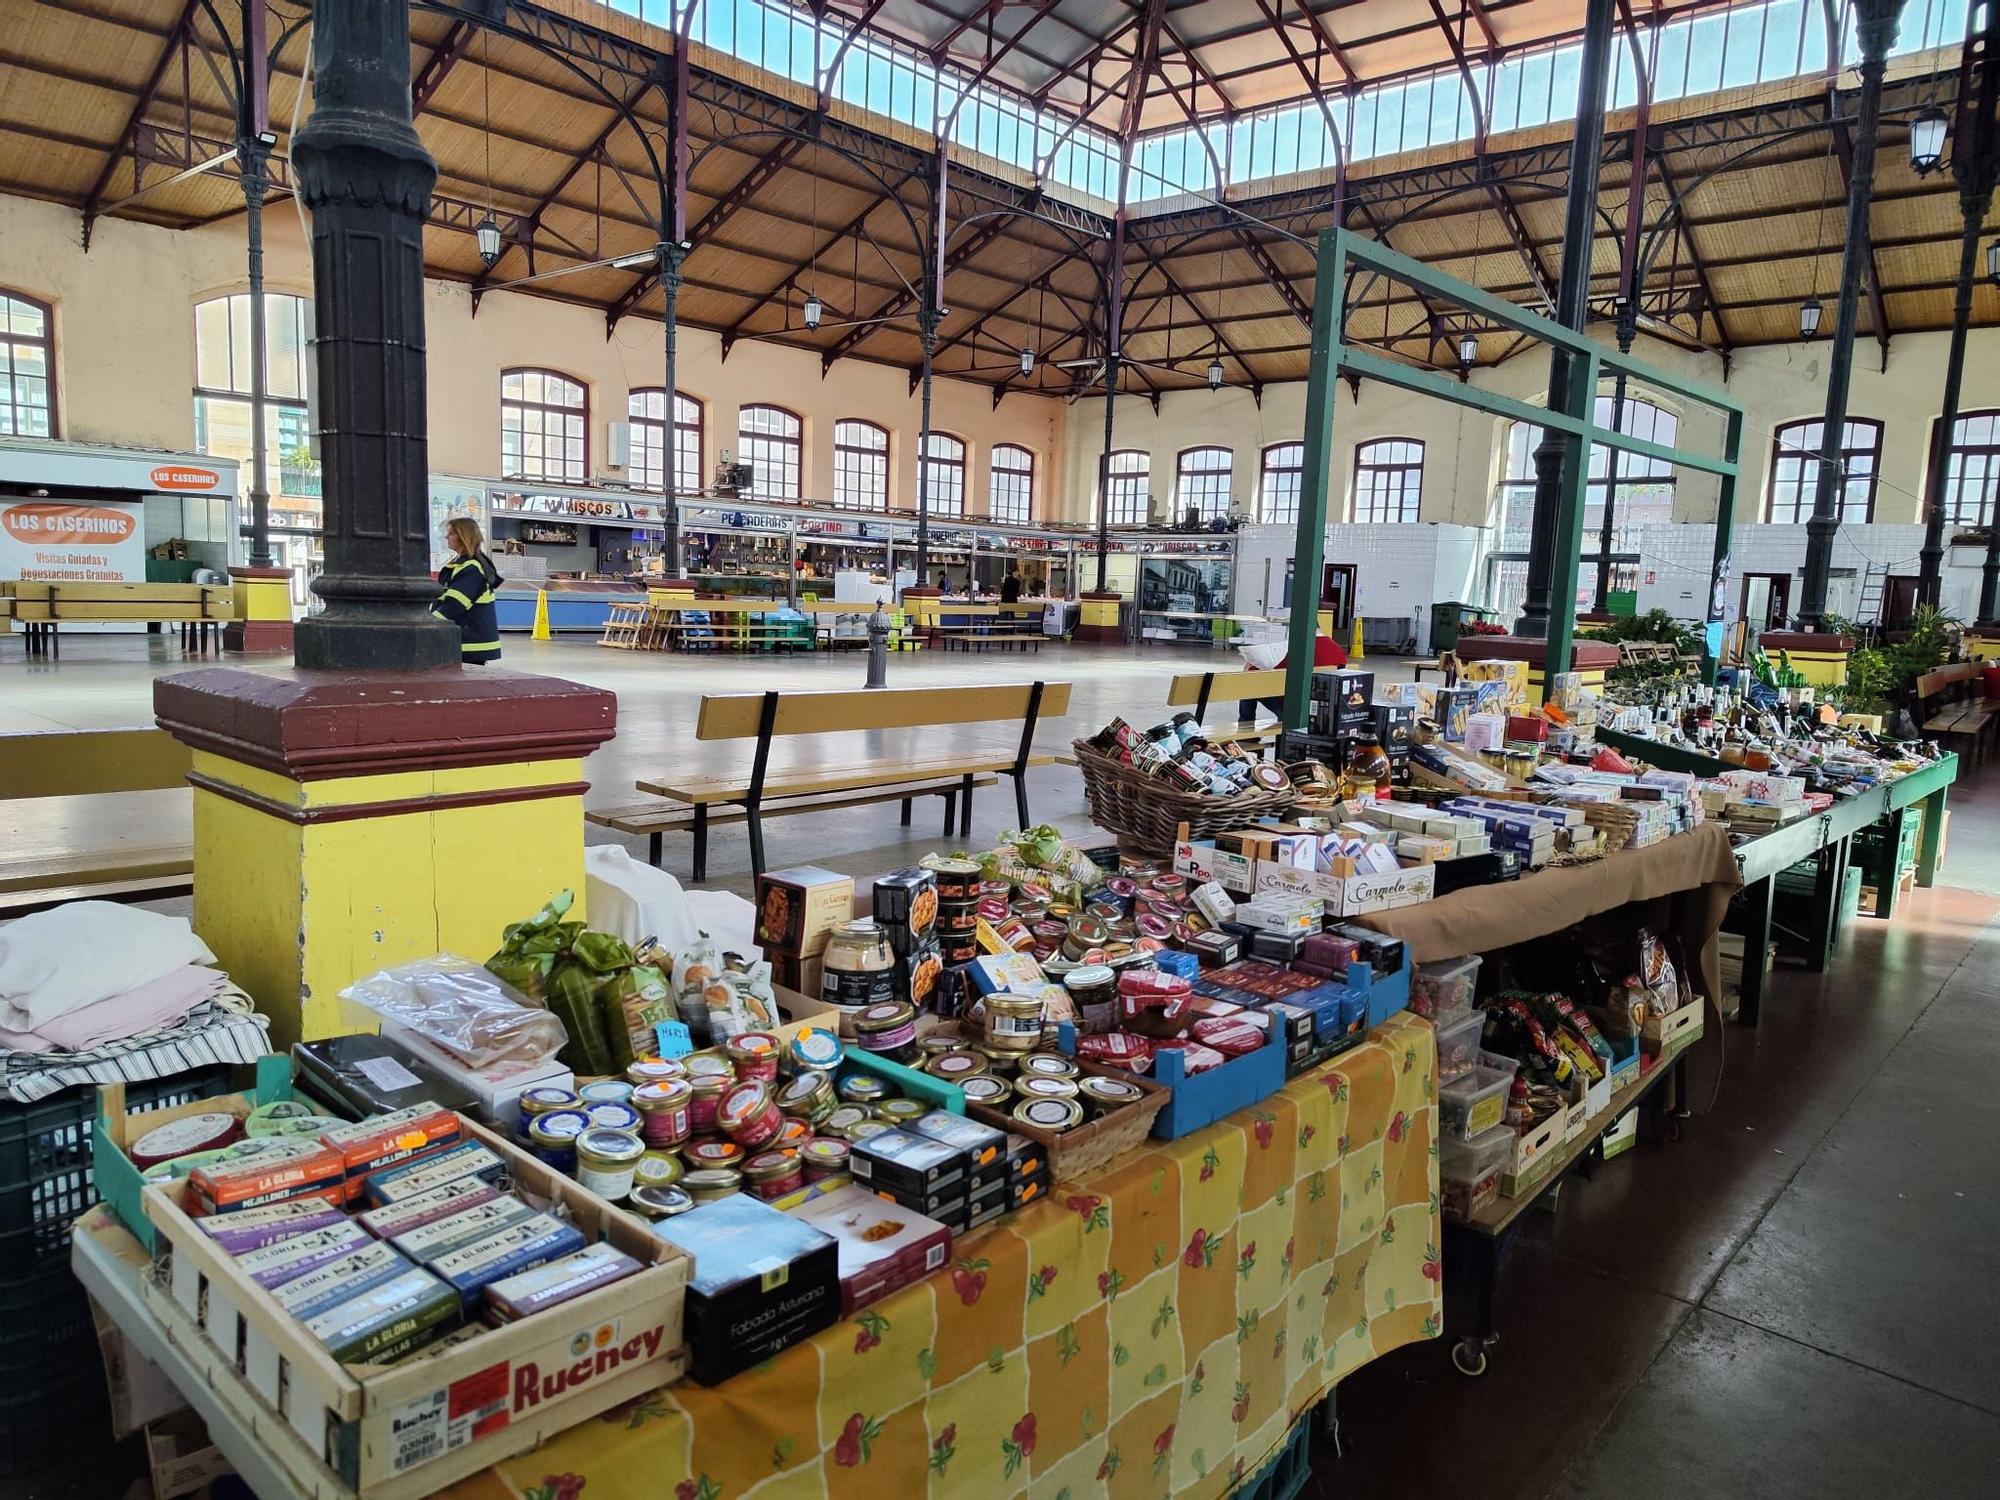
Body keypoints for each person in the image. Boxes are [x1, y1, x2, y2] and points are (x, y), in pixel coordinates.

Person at [433, 516, 502, 665]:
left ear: (463, 537)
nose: (446, 537)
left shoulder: (471, 568)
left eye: (451, 533)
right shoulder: (467, 564)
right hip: (467, 641)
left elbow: (455, 604)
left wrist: (430, 623)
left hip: (469, 644)